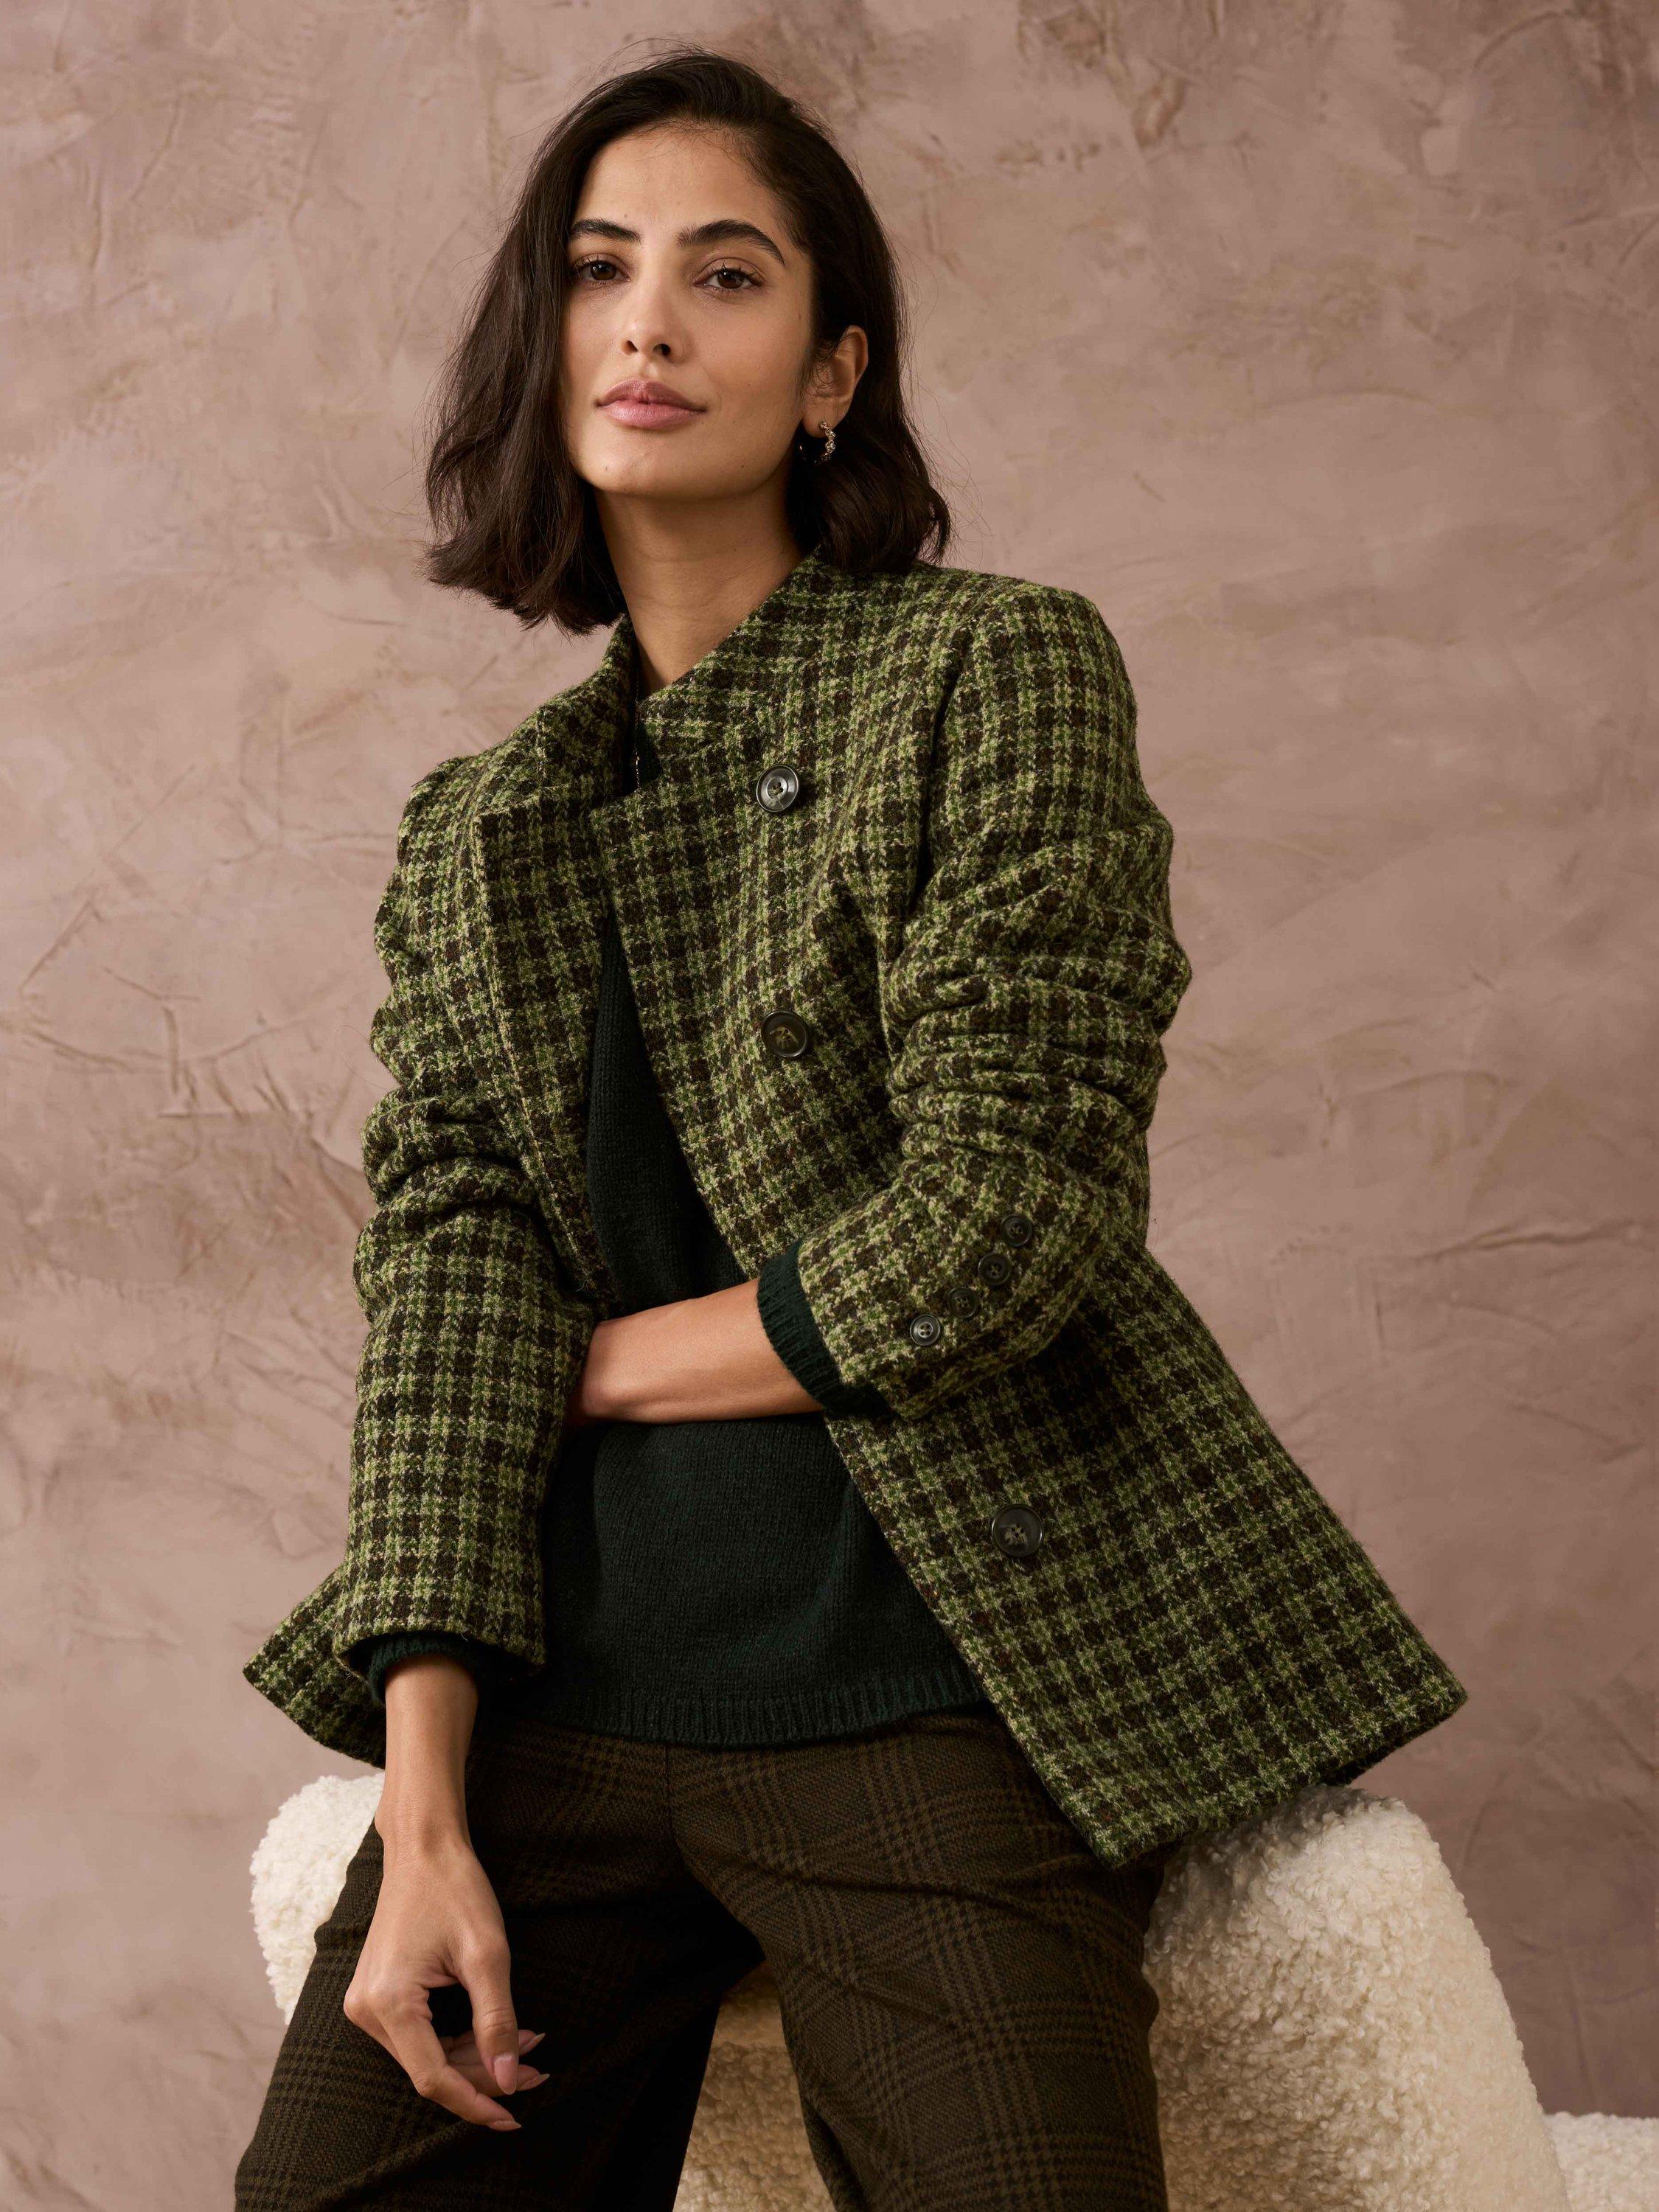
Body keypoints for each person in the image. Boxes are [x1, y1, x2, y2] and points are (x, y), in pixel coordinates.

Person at [234, 46, 1467, 2212]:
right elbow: (444, 1282)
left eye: (724, 276)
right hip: (563, 1707)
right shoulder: (481, 829)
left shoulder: (992, 672)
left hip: (921, 1674)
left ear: (832, 373)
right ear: (540, 346)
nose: (647, 324)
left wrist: (580, 1368)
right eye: (598, 272)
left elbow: (1009, 1213)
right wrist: (425, 1816)